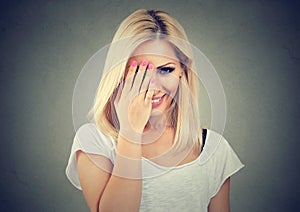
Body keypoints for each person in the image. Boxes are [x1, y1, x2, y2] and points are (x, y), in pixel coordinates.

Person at [66, 9, 244, 212]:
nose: (153, 85)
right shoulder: (95, 141)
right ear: (119, 75)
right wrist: (130, 132)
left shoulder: (213, 148)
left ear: (182, 73)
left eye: (166, 69)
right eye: (140, 72)